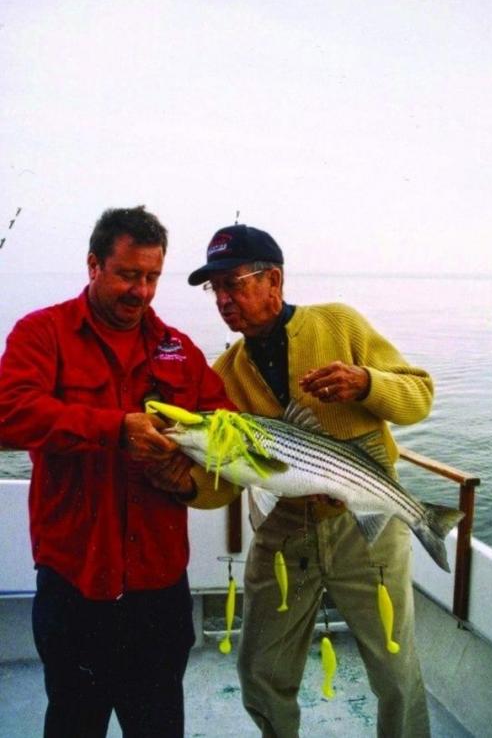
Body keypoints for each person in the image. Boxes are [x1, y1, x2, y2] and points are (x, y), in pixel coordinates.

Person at [186, 224, 435, 738]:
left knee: (394, 673)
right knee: (259, 670)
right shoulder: (225, 374)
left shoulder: (337, 324)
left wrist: (367, 383)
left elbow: (419, 396)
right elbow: (222, 486)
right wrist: (181, 473)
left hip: (365, 523)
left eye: (234, 283)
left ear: (273, 279)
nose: (224, 300)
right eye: (216, 289)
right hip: (287, 527)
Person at [0, 206, 235, 738]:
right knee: (74, 722)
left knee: (157, 726)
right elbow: (10, 413)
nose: (142, 291)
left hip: (159, 587)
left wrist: (190, 478)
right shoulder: (43, 333)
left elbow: (228, 427)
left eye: (152, 277)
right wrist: (114, 428)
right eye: (129, 275)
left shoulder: (179, 348)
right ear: (93, 265)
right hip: (75, 583)